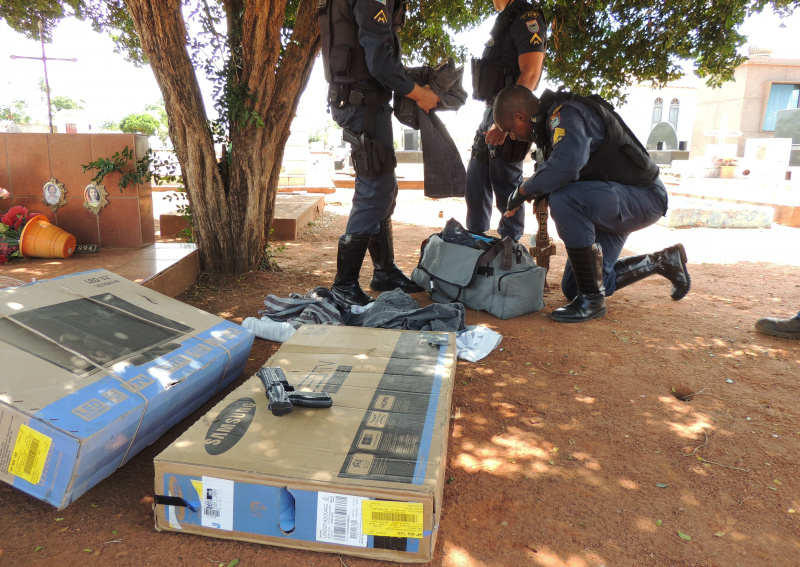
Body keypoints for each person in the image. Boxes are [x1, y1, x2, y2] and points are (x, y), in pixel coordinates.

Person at [494, 85, 691, 323]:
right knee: (574, 287)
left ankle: (592, 300)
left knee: (566, 198)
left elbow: (567, 164)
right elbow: (556, 168)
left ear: (519, 116)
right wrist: (540, 191)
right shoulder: (547, 128)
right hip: (611, 200)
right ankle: (663, 261)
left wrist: (522, 191)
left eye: (509, 130)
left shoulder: (565, 113)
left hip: (642, 196)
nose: (512, 136)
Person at [319, 0, 440, 307]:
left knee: (384, 188)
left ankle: (384, 271)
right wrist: (419, 93)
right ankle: (344, 285)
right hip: (362, 103)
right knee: (375, 189)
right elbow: (380, 64)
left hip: (364, 101)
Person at [464, 0, 546, 242]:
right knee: (476, 186)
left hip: (509, 115)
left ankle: (509, 255)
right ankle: (474, 247)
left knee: (507, 191)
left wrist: (503, 123)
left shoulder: (526, 17)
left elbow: (530, 73)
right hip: (491, 112)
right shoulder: (506, 18)